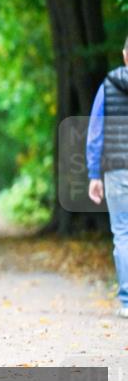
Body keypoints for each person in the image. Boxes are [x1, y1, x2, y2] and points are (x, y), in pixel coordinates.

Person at [86, 35, 128, 319]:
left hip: (117, 168)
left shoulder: (109, 84)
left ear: (125, 55)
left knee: (123, 233)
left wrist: (93, 174)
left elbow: (95, 132)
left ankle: (127, 300)